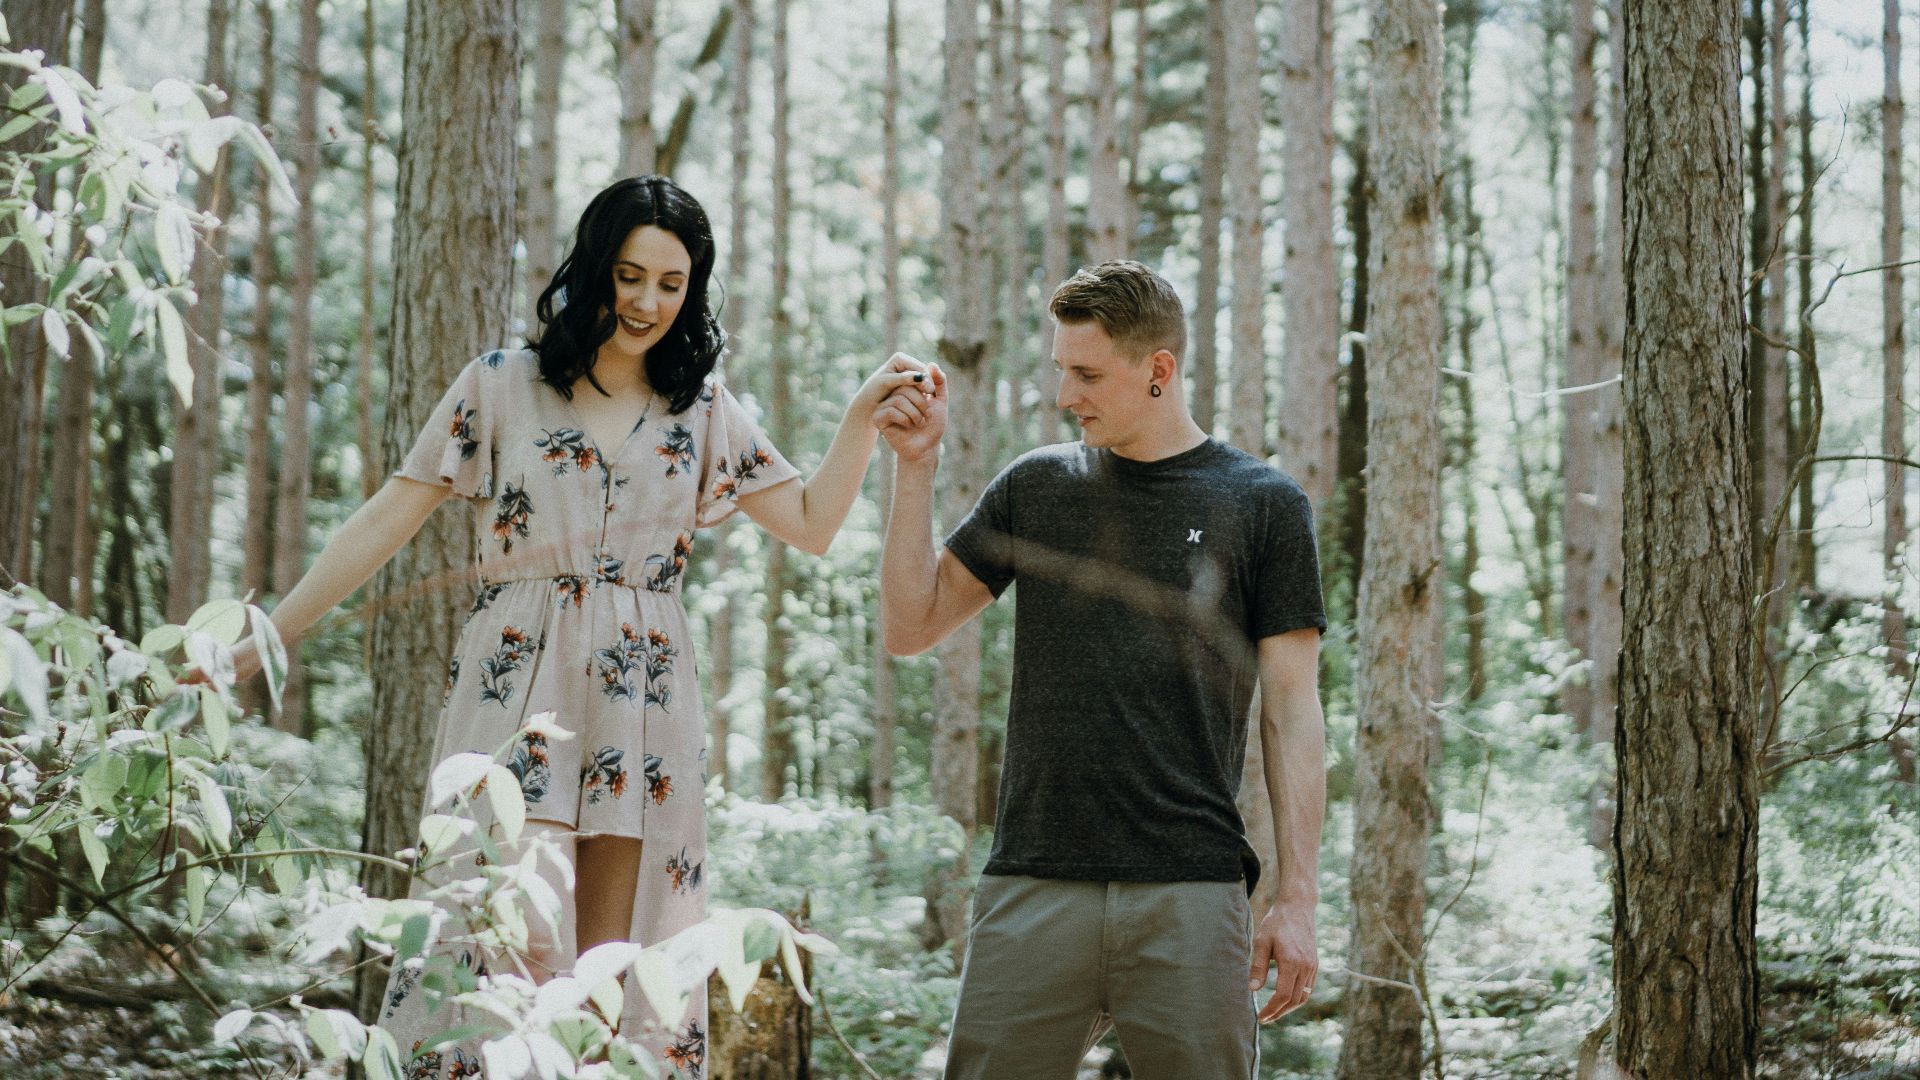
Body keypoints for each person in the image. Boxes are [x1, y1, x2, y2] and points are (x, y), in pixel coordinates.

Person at [233, 176, 929, 1073]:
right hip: (517, 687)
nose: (646, 302)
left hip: (643, 701)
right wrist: (263, 640)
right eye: (628, 276)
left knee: (614, 967)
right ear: (591, 270)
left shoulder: (702, 407)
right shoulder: (500, 386)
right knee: (500, 942)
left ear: (693, 292)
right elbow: (385, 518)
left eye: (671, 285)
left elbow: (811, 521)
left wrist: (860, 420)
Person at [874, 260, 1327, 1079]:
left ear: (1159, 370)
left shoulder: (1262, 503)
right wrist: (916, 468)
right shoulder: (1037, 487)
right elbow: (911, 626)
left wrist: (1297, 899)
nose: (1065, 394)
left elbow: (1292, 713)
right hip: (1035, 881)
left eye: (1087, 374)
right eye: (1061, 370)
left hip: (1190, 890)